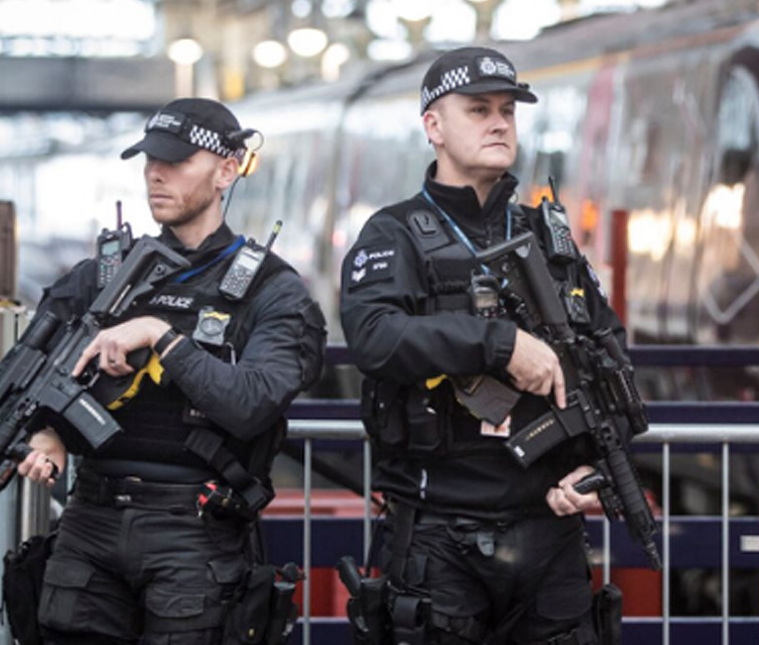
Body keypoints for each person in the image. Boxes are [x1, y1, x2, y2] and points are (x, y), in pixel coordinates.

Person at [340, 46, 632, 644]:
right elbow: (376, 338)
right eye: (478, 110)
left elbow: (609, 358)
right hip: (438, 538)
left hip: (547, 532)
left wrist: (588, 467)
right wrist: (498, 345)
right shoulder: (393, 234)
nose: (499, 122)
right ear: (434, 127)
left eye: (508, 110)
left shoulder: (547, 237)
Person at [15, 97, 327, 644]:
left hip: (196, 532)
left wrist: (160, 336)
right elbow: (31, 373)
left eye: (176, 161)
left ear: (227, 170)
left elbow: (251, 403)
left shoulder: (272, 290)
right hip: (90, 523)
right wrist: (45, 430)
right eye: (150, 160)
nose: (156, 173)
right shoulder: (99, 278)